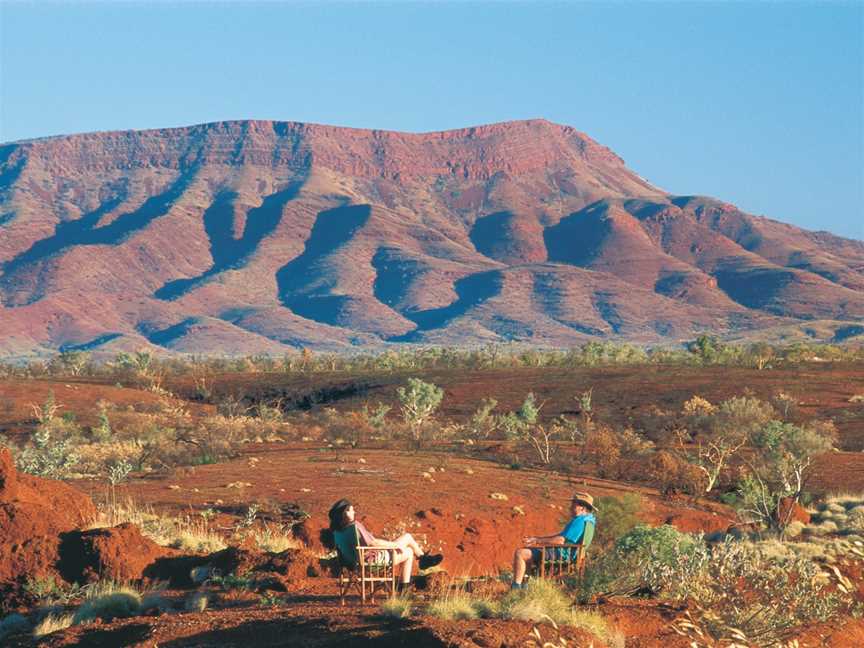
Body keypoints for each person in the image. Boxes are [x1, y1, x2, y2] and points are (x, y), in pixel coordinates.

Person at [327, 498, 444, 592]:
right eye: (352, 510)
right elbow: (374, 543)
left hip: (353, 564)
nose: (354, 512)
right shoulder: (354, 526)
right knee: (408, 547)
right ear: (345, 512)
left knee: (407, 543)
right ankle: (416, 570)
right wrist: (393, 545)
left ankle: (422, 560)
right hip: (371, 561)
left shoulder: (337, 532)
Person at [511, 491, 596, 589]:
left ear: (582, 508)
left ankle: (516, 588)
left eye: (573, 505)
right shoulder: (589, 521)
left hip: (562, 554)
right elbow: (561, 537)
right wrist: (538, 540)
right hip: (567, 553)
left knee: (521, 553)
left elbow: (560, 540)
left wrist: (537, 540)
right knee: (528, 555)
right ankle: (524, 586)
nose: (570, 507)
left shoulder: (580, 521)